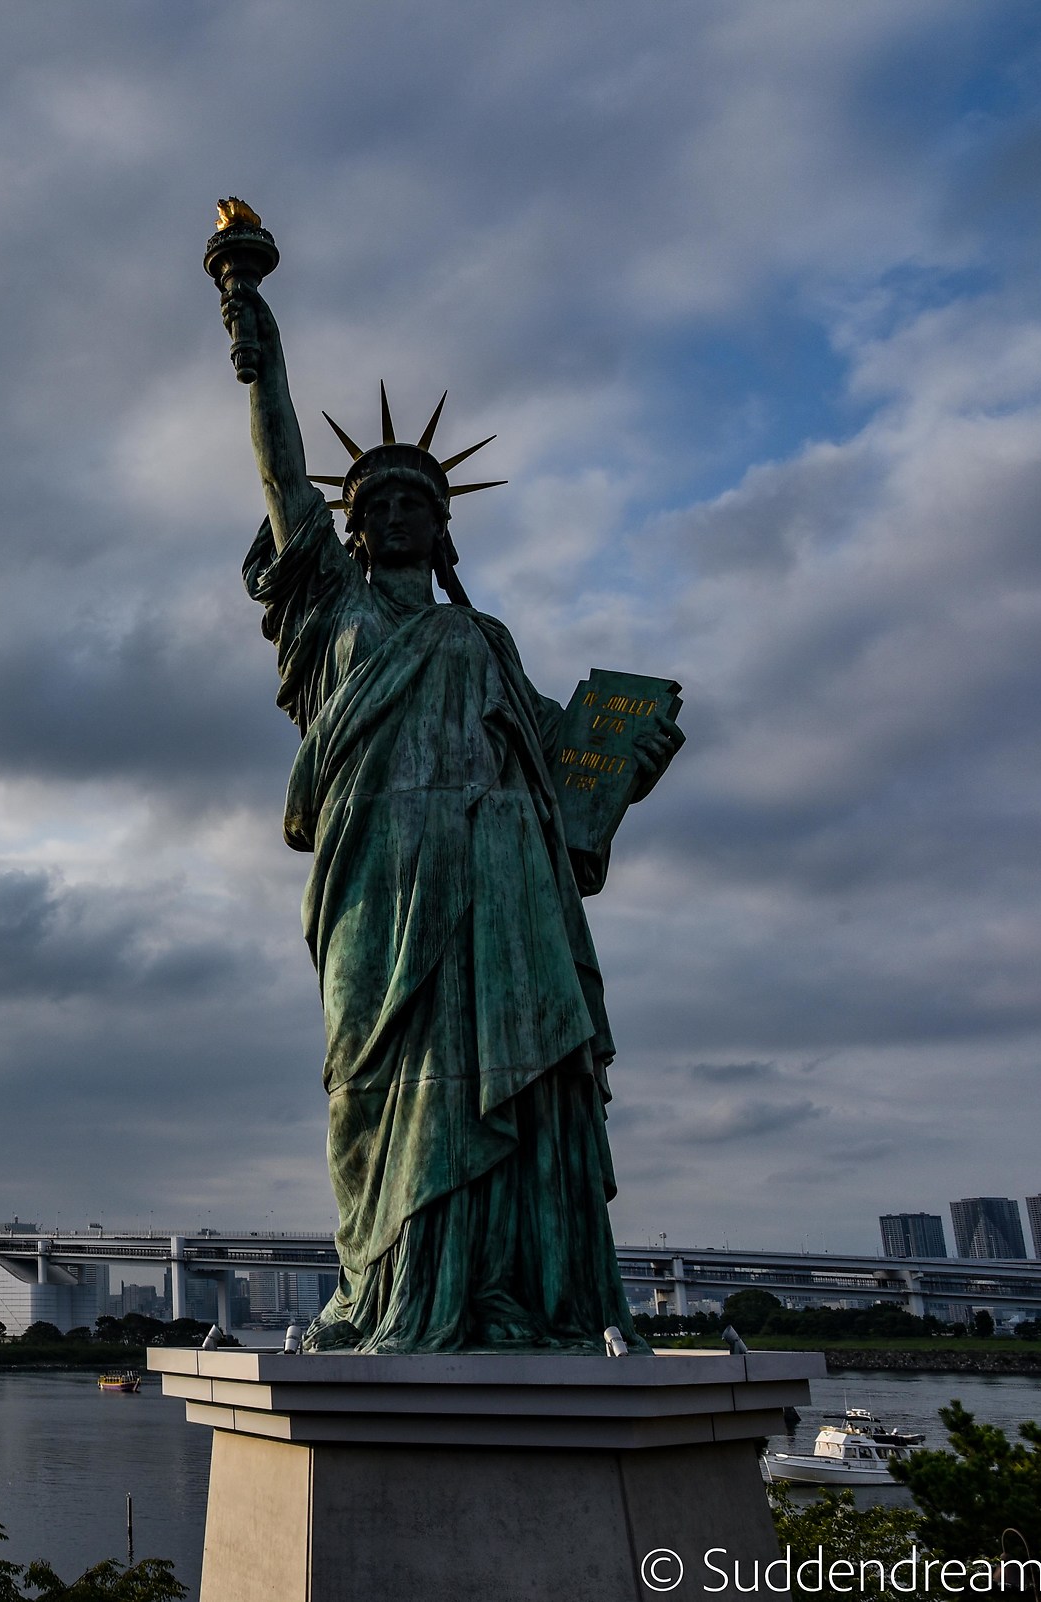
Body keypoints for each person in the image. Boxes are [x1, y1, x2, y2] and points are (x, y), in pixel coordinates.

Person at [214, 272, 681, 1353]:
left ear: (442, 524)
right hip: (373, 873)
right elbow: (284, 469)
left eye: (412, 504)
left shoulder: (485, 641)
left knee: (492, 1082)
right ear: (352, 530)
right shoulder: (325, 609)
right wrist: (261, 348)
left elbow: (564, 783)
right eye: (371, 507)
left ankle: (497, 1291)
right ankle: (380, 1287)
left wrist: (635, 753)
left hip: (491, 881)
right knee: (367, 1084)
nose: (391, 517)